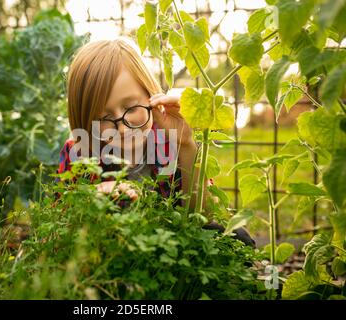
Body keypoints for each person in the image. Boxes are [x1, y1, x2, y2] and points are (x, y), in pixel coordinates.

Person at [55, 38, 255, 247]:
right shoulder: (79, 153)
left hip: (171, 244)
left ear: (150, 95)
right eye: (104, 118)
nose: (123, 128)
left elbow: (203, 214)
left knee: (235, 237)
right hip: (111, 249)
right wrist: (91, 200)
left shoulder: (168, 140)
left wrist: (186, 145)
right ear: (85, 119)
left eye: (131, 108)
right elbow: (60, 229)